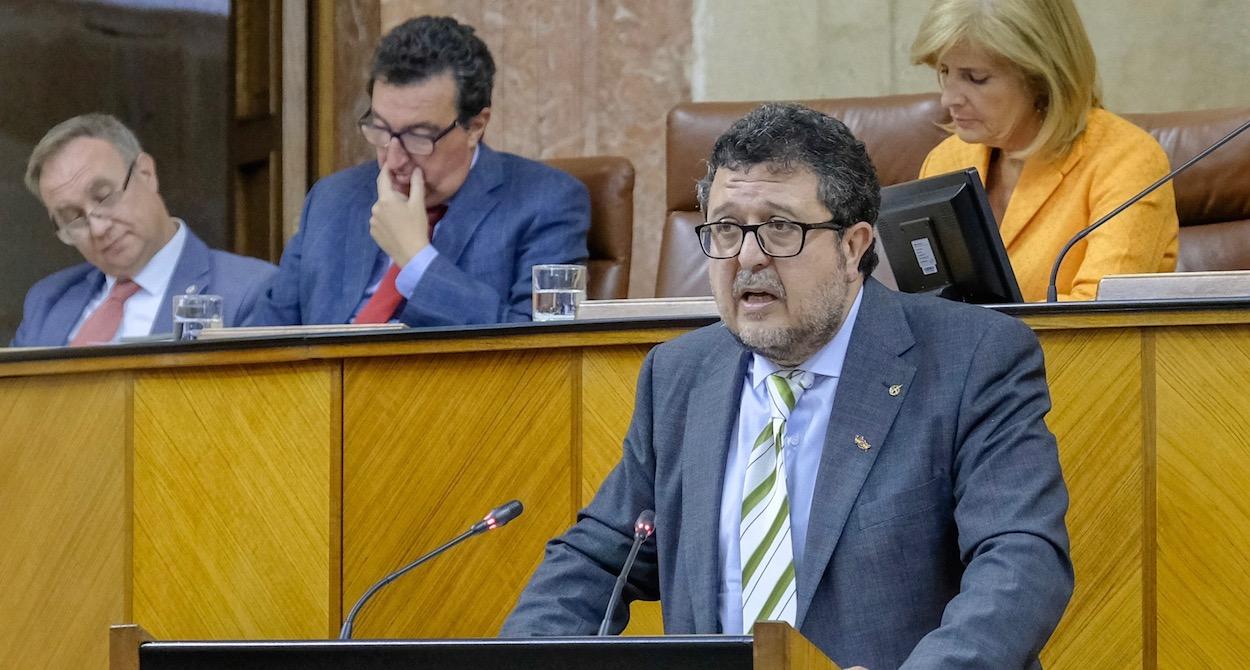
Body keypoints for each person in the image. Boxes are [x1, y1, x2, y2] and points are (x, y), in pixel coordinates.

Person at [502, 103, 1073, 669]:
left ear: (853, 248)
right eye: (726, 229)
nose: (747, 257)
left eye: (780, 228)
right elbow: (599, 561)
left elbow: (1020, 559)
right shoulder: (679, 375)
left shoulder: (972, 358)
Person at [247, 16, 590, 328]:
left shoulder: (546, 202)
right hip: (318, 394)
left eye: (418, 136)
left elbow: (540, 353)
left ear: (475, 126)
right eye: (380, 129)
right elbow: (262, 340)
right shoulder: (331, 200)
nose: (393, 159)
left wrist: (416, 259)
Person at [912, 0, 1178, 302]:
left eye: (975, 78)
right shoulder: (946, 159)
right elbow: (921, 302)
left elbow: (1102, 317)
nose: (948, 99)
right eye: (945, 71)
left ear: (1040, 77)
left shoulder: (1126, 159)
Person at [13, 114, 275, 347]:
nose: (98, 228)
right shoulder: (49, 300)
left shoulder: (249, 291)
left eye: (104, 197)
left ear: (146, 173)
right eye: (73, 219)